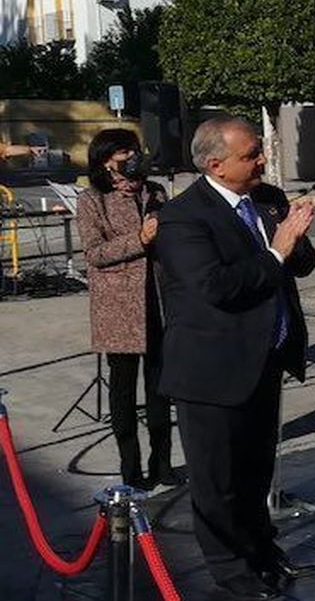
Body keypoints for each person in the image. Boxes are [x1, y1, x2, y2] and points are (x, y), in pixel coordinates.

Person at [154, 117, 315, 600]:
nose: (262, 160)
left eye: (260, 151)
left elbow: (300, 265)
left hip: (264, 360)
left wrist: (294, 234)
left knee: (255, 472)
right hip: (212, 371)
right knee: (217, 481)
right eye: (251, 155)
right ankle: (231, 570)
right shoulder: (183, 217)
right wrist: (277, 248)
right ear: (215, 164)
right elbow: (216, 287)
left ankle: (263, 551)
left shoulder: (266, 199)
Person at [77, 128, 176, 491]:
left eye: (134, 150)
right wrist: (140, 240)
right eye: (124, 152)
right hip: (118, 308)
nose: (132, 157)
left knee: (161, 390)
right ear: (106, 160)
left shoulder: (155, 192)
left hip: (159, 302)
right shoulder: (92, 200)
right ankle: (130, 470)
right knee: (122, 392)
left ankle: (162, 464)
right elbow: (94, 254)